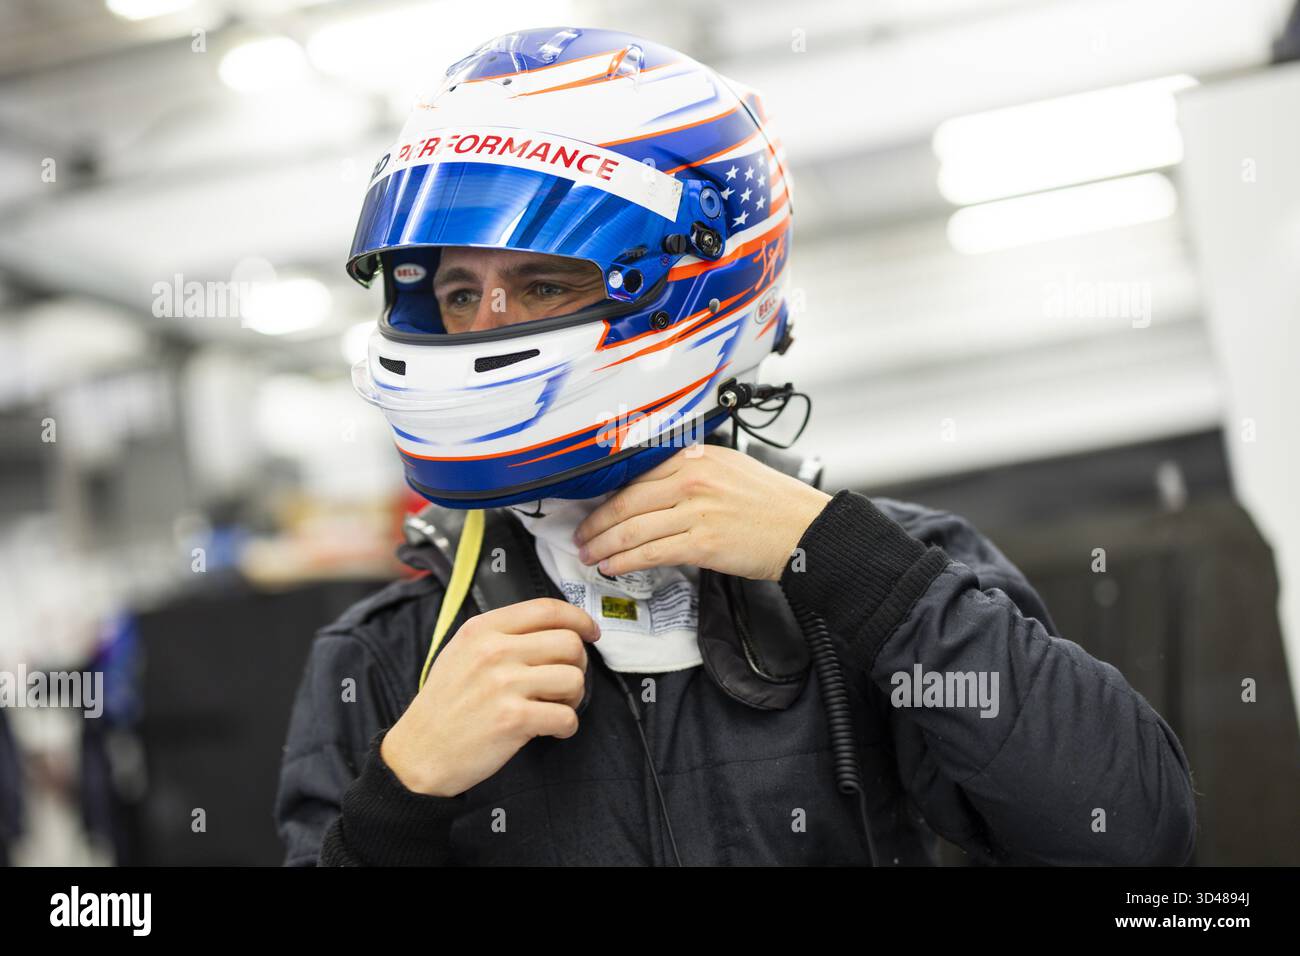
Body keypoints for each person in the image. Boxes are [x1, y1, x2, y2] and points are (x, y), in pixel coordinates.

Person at [274, 26, 1196, 866]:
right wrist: (400, 801)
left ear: (694, 280)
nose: (485, 326)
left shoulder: (886, 577)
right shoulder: (388, 657)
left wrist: (850, 565)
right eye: (458, 293)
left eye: (546, 283)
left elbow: (1136, 842)